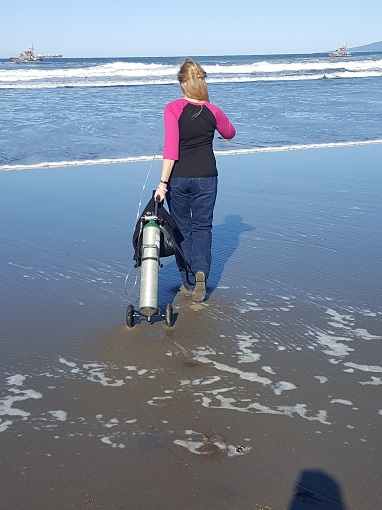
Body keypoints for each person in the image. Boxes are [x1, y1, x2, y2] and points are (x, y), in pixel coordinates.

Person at [154, 59, 236, 302]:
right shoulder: (213, 110)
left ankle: (189, 282)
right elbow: (230, 132)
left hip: (178, 178)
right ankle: (201, 273)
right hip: (207, 177)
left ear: (182, 83)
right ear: (201, 81)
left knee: (182, 230)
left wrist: (162, 184)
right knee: (203, 227)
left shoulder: (173, 108)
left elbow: (171, 150)